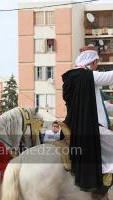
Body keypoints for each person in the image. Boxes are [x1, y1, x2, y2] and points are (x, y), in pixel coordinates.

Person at [62, 45, 113, 197]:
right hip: (92, 127)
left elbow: (96, 105)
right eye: (96, 63)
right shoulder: (86, 76)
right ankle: (105, 182)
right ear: (91, 62)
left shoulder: (76, 78)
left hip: (80, 125)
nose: (97, 67)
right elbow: (110, 77)